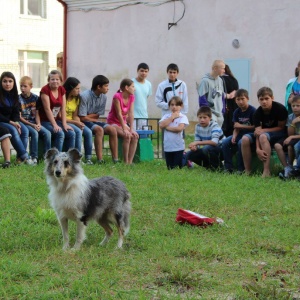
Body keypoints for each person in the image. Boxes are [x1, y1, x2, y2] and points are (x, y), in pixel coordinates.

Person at [241, 87, 288, 177]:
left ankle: (266, 171)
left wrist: (264, 130)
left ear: (272, 98)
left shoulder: (280, 109)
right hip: (264, 134)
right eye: (261, 99)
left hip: (279, 133)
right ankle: (247, 170)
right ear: (258, 100)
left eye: (267, 98)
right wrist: (258, 149)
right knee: (245, 138)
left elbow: (281, 127)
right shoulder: (257, 113)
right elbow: (258, 132)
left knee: (263, 136)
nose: (264, 101)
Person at [78, 75, 119, 164]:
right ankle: (100, 160)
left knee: (112, 130)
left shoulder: (103, 97)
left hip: (93, 120)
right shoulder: (84, 96)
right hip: (83, 122)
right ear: (99, 87)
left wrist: (89, 115)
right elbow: (82, 117)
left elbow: (97, 115)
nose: (108, 88)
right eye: (106, 86)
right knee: (99, 130)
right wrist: (89, 116)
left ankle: (115, 159)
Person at [0, 71, 33, 165]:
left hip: (11, 121)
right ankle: (25, 157)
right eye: (5, 81)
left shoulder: (14, 95)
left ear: (13, 83)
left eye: (10, 81)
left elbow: (16, 112)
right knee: (13, 130)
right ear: (1, 82)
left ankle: (19, 159)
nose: (7, 84)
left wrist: (17, 122)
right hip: (2, 121)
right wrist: (11, 122)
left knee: (24, 130)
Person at [39, 70, 75, 152]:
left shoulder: (62, 89)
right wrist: (55, 125)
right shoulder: (45, 90)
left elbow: (63, 108)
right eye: (52, 79)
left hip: (55, 119)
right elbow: (47, 109)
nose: (55, 81)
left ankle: (70, 159)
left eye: (57, 79)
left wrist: (64, 124)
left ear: (61, 80)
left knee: (71, 133)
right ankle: (55, 158)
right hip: (44, 121)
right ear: (49, 80)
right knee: (60, 133)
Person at [222, 89, 256, 173]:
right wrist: (234, 136)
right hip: (240, 134)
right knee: (225, 142)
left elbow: (256, 127)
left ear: (247, 98)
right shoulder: (236, 112)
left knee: (241, 143)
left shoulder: (253, 111)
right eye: (238, 99)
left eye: (242, 99)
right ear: (235, 100)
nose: (240, 102)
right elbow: (236, 127)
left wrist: (241, 126)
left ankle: (241, 168)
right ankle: (228, 167)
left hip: (250, 135)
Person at [19, 76, 51, 164]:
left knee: (47, 133)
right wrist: (32, 125)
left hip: (34, 122)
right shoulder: (18, 99)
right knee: (34, 133)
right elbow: (19, 117)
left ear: (31, 86)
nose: (22, 88)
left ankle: (47, 157)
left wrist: (39, 124)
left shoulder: (36, 98)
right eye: (21, 86)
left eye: (25, 86)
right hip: (24, 123)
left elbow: (37, 113)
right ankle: (34, 157)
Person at [107, 79, 139, 164]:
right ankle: (125, 161)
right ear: (126, 88)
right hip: (113, 122)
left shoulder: (132, 97)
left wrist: (131, 129)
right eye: (133, 86)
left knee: (135, 136)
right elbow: (119, 114)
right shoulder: (117, 96)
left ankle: (130, 161)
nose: (134, 89)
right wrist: (125, 129)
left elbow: (131, 113)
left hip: (123, 123)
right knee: (127, 136)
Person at [63, 77, 94, 164]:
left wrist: (79, 123)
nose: (79, 91)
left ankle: (88, 158)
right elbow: (61, 117)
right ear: (70, 88)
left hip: (73, 121)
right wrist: (76, 123)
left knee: (88, 132)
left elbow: (75, 115)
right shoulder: (63, 98)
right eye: (77, 88)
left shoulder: (76, 98)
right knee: (78, 132)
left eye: (79, 88)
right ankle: (76, 158)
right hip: (65, 121)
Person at [198, 59, 235, 127]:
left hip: (219, 114)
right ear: (215, 68)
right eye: (222, 68)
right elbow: (202, 99)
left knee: (217, 135)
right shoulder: (205, 81)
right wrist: (207, 114)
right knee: (211, 134)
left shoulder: (220, 80)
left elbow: (221, 95)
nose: (224, 71)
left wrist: (223, 110)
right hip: (211, 113)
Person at [159, 96, 189, 169]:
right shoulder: (166, 116)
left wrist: (167, 128)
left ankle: (187, 160)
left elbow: (179, 128)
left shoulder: (183, 117)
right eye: (172, 105)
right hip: (168, 146)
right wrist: (172, 117)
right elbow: (161, 125)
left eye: (176, 105)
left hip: (178, 146)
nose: (174, 107)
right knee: (170, 167)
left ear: (181, 106)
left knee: (177, 167)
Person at [275, 95, 300, 179]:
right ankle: (289, 167)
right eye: (293, 106)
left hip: (297, 138)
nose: (295, 108)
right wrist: (293, 123)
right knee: (287, 146)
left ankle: (297, 168)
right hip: (295, 137)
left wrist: (291, 137)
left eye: (298, 106)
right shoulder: (290, 117)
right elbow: (290, 134)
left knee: (296, 146)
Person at [132, 63, 152, 130]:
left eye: (146, 71)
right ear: (137, 71)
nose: (144, 73)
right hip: (133, 116)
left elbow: (146, 97)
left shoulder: (148, 84)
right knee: (133, 137)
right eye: (142, 71)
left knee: (144, 137)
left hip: (144, 116)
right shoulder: (131, 82)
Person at [221, 64, 239, 136]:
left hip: (224, 102)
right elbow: (236, 90)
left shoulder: (220, 79)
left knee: (225, 122)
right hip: (234, 103)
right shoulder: (234, 79)